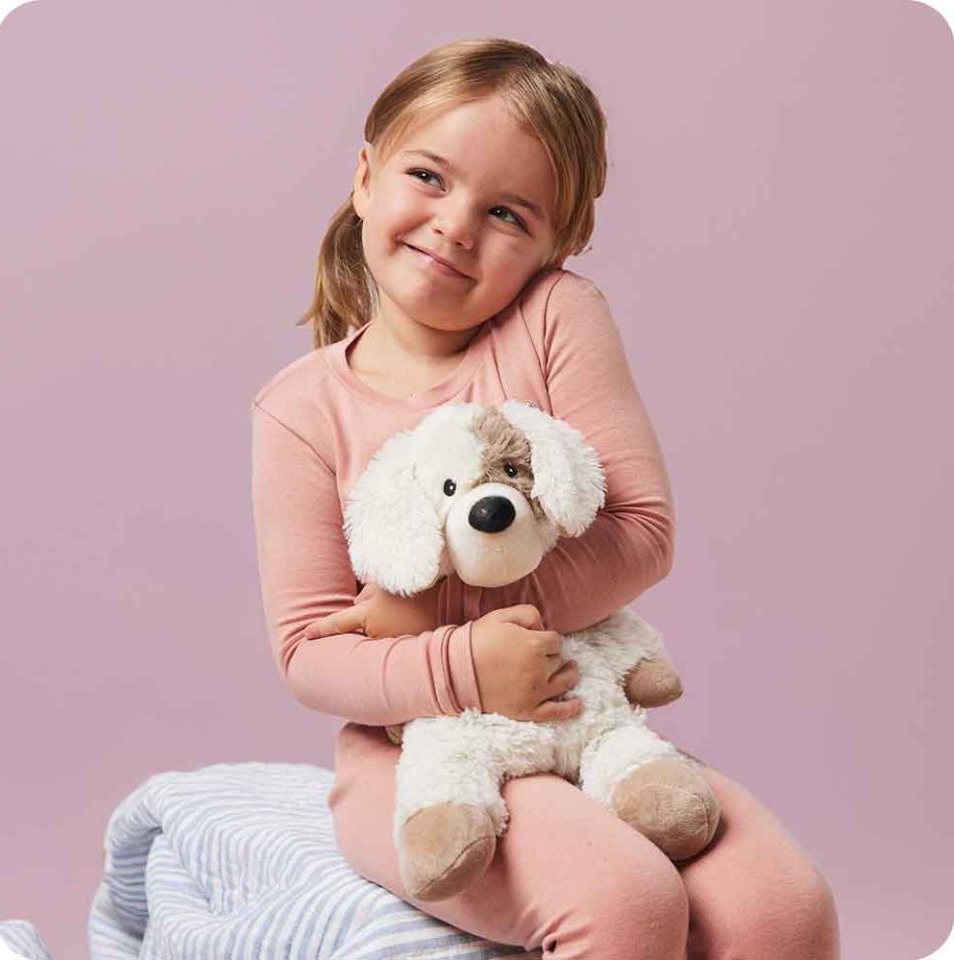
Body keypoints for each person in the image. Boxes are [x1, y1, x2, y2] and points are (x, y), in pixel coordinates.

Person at [250, 37, 840, 960]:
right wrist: (466, 665)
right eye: (428, 177)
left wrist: (427, 612)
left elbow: (642, 534)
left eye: (507, 213)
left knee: (783, 911)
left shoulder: (556, 317)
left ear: (555, 246)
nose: (456, 226)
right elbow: (310, 654)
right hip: (415, 760)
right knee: (625, 903)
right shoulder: (299, 410)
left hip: (579, 721)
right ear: (365, 178)